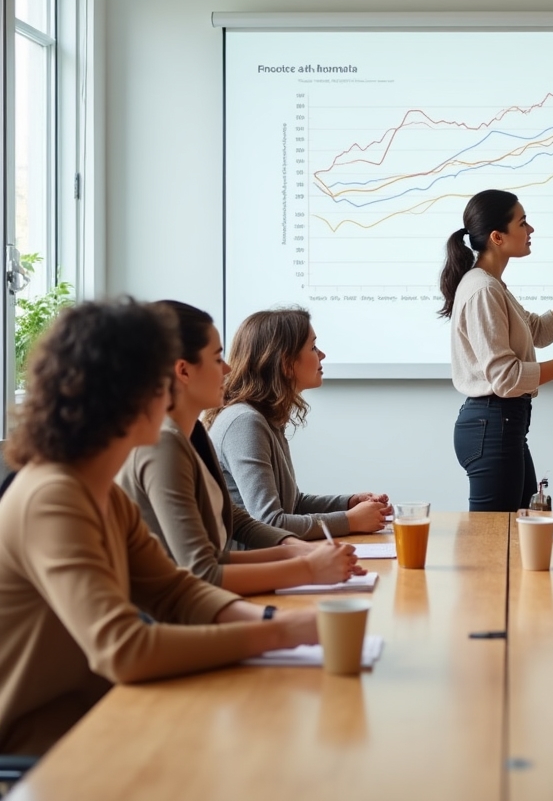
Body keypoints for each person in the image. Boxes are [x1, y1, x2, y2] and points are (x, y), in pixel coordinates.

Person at [0, 300, 320, 757]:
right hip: (53, 746)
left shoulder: (103, 493)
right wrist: (279, 634)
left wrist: (279, 621)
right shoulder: (52, 497)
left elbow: (175, 592)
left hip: (108, 715)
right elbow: (124, 649)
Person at [117, 301, 364, 594]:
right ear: (183, 371)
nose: (228, 368)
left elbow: (236, 520)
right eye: (217, 357)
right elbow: (203, 572)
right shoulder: (165, 443)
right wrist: (308, 567)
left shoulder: (192, 433)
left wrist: (295, 551)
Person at [440, 189, 553, 511]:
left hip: (503, 425)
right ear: (497, 236)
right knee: (492, 544)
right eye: (523, 223)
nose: (531, 230)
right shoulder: (483, 289)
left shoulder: (491, 285)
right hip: (492, 426)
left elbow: (537, 331)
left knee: (518, 530)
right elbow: (507, 378)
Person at [207, 308, 390, 540]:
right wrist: (350, 520)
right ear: (286, 363)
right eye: (313, 347)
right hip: (256, 564)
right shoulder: (245, 423)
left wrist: (349, 503)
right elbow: (271, 522)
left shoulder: (264, 418)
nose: (321, 354)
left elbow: (292, 505)